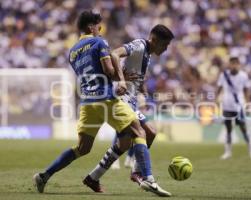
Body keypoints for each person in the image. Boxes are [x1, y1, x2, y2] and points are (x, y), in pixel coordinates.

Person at [33, 10, 171, 197]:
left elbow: (87, 75)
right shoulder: (99, 42)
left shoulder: (72, 52)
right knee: (140, 131)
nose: (100, 29)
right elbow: (107, 69)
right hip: (105, 98)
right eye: (99, 26)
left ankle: (44, 175)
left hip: (87, 102)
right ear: (91, 27)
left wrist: (130, 81)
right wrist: (121, 78)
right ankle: (146, 177)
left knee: (82, 148)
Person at [85, 24, 174, 187]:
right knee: (151, 132)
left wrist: (143, 88)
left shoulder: (147, 53)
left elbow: (135, 74)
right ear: (154, 40)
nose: (166, 49)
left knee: (124, 145)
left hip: (131, 100)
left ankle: (93, 177)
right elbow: (115, 54)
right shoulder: (139, 45)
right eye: (165, 44)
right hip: (123, 99)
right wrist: (122, 79)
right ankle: (138, 172)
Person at [216, 56, 251, 160]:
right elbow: (219, 88)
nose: (234, 66)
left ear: (239, 65)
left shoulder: (244, 76)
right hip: (227, 105)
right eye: (232, 63)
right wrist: (216, 99)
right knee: (228, 129)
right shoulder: (224, 75)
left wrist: (247, 104)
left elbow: (247, 90)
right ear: (229, 65)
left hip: (239, 105)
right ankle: (228, 152)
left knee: (243, 128)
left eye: (236, 64)